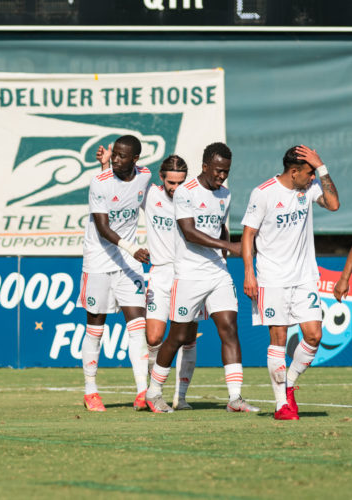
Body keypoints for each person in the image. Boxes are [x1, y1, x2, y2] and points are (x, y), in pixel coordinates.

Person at [146, 142, 257, 413]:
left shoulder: (225, 194)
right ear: (205, 165)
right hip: (188, 274)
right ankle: (153, 392)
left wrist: (229, 248)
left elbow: (221, 229)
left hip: (217, 272)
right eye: (218, 170)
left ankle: (235, 398)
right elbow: (189, 232)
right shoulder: (186, 192)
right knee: (179, 335)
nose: (222, 176)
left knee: (229, 328)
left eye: (226, 171)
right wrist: (230, 247)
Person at [242, 145, 339, 420]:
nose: (313, 179)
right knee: (279, 339)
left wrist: (321, 168)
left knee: (314, 335)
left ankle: (290, 383)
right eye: (309, 173)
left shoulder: (309, 188)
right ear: (294, 172)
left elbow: (334, 205)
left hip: (305, 277)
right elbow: (248, 236)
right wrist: (250, 272)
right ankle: (281, 404)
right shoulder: (263, 193)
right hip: (272, 278)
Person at [80, 135, 151, 412]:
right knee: (95, 328)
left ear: (135, 159)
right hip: (98, 262)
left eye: (122, 156)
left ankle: (142, 392)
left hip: (128, 264)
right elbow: (102, 228)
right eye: (114, 155)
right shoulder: (100, 181)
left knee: (138, 328)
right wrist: (133, 248)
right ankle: (90, 391)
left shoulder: (145, 177)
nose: (116, 160)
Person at [143, 155, 198, 412]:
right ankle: (152, 391)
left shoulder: (193, 198)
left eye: (180, 182)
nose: (175, 188)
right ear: (161, 177)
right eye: (171, 182)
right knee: (154, 337)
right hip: (161, 273)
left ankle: (181, 397)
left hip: (188, 273)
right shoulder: (150, 195)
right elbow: (126, 176)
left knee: (188, 338)